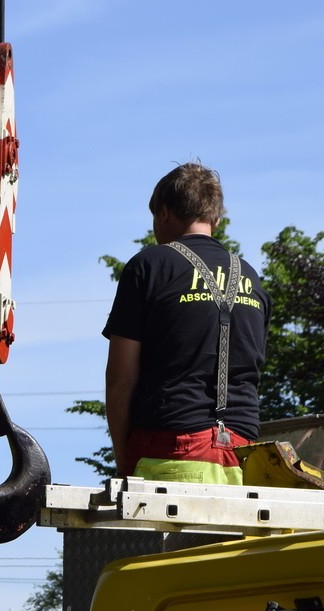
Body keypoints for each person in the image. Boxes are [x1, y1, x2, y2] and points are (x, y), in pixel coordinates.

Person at [103, 161, 271, 484]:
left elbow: (119, 378)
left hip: (169, 456)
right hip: (244, 461)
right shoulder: (251, 278)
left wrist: (124, 461)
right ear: (216, 219)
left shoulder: (148, 267)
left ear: (163, 213)